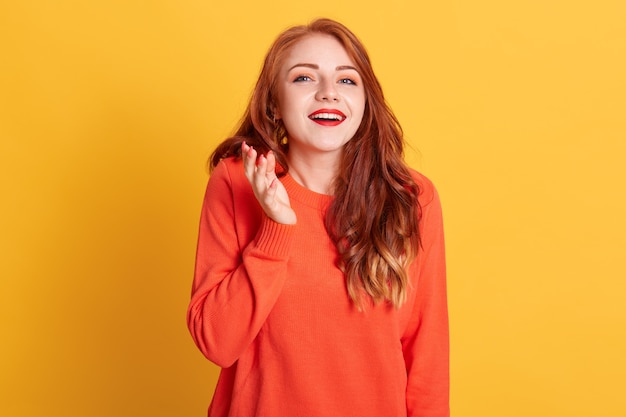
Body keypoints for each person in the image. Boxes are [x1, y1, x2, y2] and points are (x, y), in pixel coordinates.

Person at [187, 18, 449, 417]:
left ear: (366, 101)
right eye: (304, 78)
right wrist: (275, 228)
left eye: (347, 81)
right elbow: (216, 342)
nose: (329, 93)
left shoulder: (410, 198)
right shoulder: (236, 182)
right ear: (273, 103)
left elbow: (426, 353)